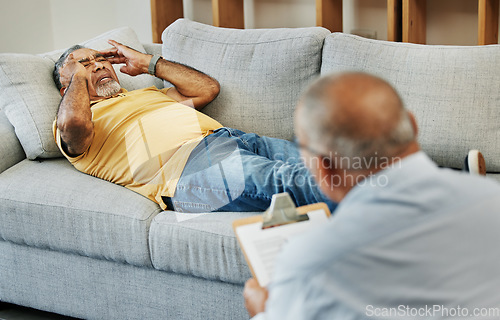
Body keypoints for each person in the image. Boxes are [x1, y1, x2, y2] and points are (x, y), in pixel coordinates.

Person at [243, 72, 500, 319]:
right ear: (412, 124)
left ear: (323, 168)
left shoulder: (310, 261)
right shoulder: (493, 199)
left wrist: (264, 311)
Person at [52, 40, 335, 213]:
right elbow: (73, 122)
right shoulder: (74, 123)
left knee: (330, 160)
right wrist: (78, 74)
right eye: (85, 64)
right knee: (293, 181)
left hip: (234, 139)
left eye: (100, 59)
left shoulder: (146, 95)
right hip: (189, 170)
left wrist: (149, 63)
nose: (98, 65)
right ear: (67, 86)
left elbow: (207, 89)